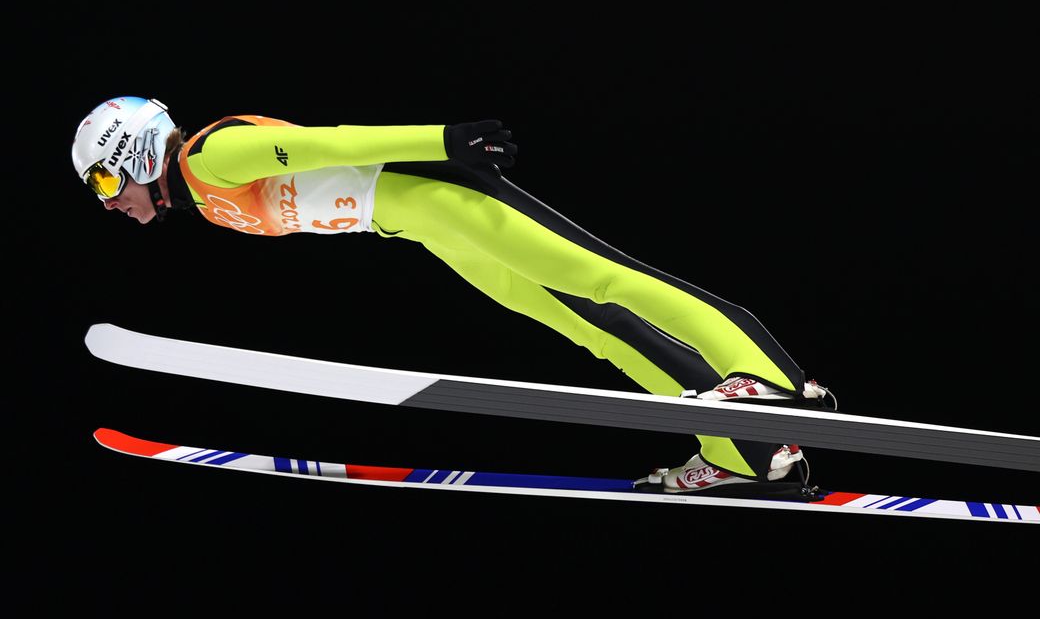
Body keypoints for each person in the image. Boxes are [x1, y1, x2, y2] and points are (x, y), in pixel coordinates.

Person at [71, 96, 832, 493]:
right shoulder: (205, 203)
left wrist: (443, 139)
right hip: (424, 229)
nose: (109, 203)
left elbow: (328, 143)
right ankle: (734, 450)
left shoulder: (210, 155)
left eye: (105, 181)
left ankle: (779, 387)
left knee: (609, 279)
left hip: (445, 194)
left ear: (132, 150)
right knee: (590, 327)